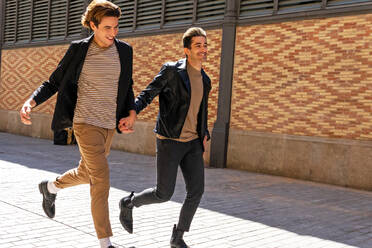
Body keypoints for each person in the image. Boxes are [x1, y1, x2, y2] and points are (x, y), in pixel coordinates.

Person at [19, 1, 136, 247]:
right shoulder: (79, 50)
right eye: (107, 27)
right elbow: (53, 82)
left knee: (87, 172)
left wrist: (131, 113)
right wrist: (31, 101)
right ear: (93, 25)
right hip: (85, 122)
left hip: (107, 124)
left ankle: (50, 187)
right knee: (101, 178)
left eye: (115, 27)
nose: (112, 33)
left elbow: (126, 87)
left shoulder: (124, 51)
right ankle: (106, 243)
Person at [119, 27, 211, 248]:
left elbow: (201, 110)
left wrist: (204, 132)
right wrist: (132, 114)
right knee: (163, 193)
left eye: (205, 45)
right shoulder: (172, 71)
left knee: (196, 190)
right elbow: (148, 94)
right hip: (169, 140)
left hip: (193, 143)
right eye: (198, 45)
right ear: (186, 50)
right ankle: (129, 203)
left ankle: (178, 236)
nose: (203, 49)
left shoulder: (205, 79)